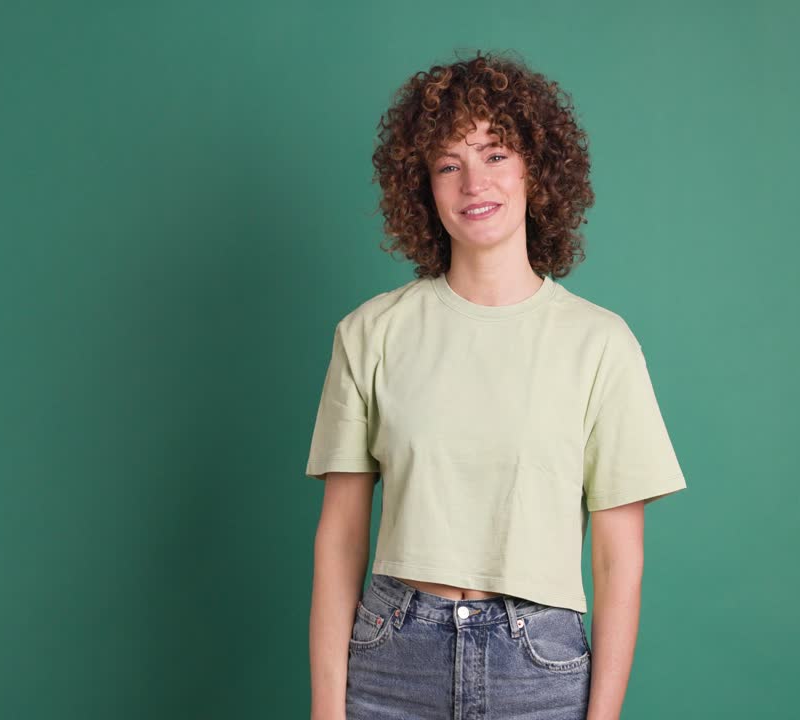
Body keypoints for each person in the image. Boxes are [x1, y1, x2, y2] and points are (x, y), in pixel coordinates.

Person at [305, 50, 688, 720]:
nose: (472, 182)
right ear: (422, 186)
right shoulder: (370, 333)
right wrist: (326, 710)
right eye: (449, 164)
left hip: (538, 668)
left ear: (537, 171)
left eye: (495, 154)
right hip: (392, 660)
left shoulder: (601, 345)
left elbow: (618, 562)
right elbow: (340, 537)